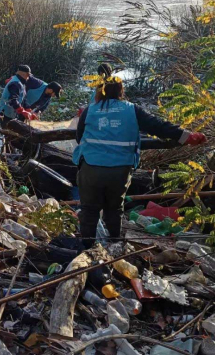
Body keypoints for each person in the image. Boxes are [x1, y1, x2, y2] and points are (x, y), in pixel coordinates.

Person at [73, 78, 206, 249]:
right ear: (121, 91)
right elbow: (158, 126)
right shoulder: (131, 110)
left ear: (100, 91)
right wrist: (186, 136)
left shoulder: (90, 110)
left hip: (91, 168)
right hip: (120, 170)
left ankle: (87, 248)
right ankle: (115, 245)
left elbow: (79, 137)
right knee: (114, 209)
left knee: (89, 210)